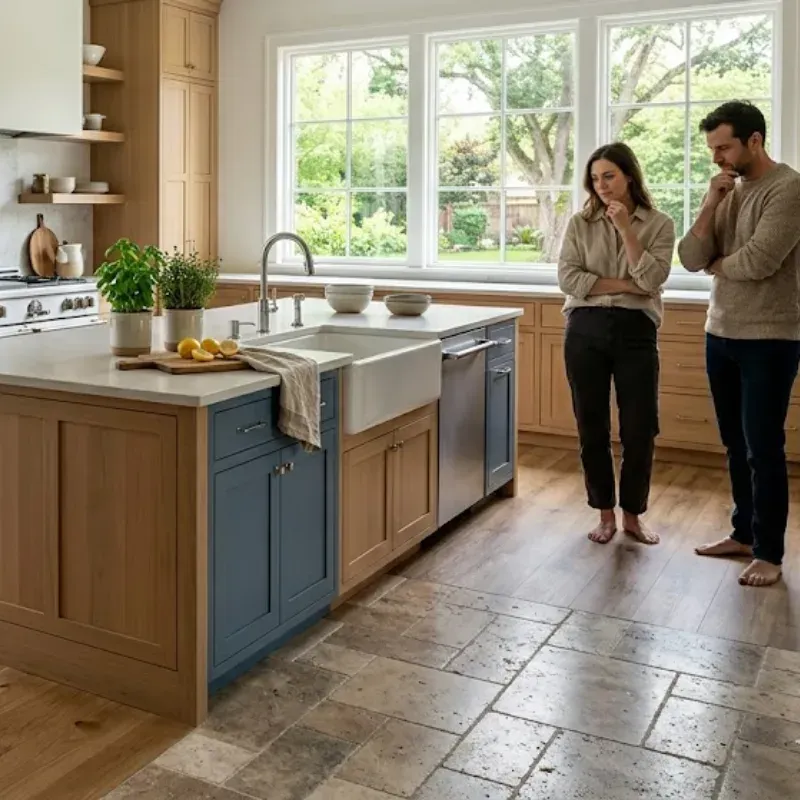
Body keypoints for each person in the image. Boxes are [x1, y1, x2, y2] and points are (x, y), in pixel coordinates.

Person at [678, 100, 800, 588]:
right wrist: (710, 203)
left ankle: (769, 554)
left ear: (754, 141)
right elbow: (689, 257)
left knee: (763, 448)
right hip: (720, 333)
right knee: (734, 443)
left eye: (723, 147)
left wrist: (717, 264)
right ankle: (744, 534)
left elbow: (759, 261)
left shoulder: (789, 189)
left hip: (769, 338)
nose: (716, 158)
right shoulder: (726, 189)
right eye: (711, 149)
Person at [558, 142, 676, 546]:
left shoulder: (659, 223)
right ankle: (604, 514)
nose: (602, 185)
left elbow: (653, 281)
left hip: (636, 330)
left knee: (640, 428)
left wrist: (627, 229)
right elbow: (569, 279)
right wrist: (628, 285)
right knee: (591, 425)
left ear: (629, 175)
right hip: (584, 328)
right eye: (594, 178)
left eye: (609, 175)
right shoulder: (579, 223)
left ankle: (633, 517)